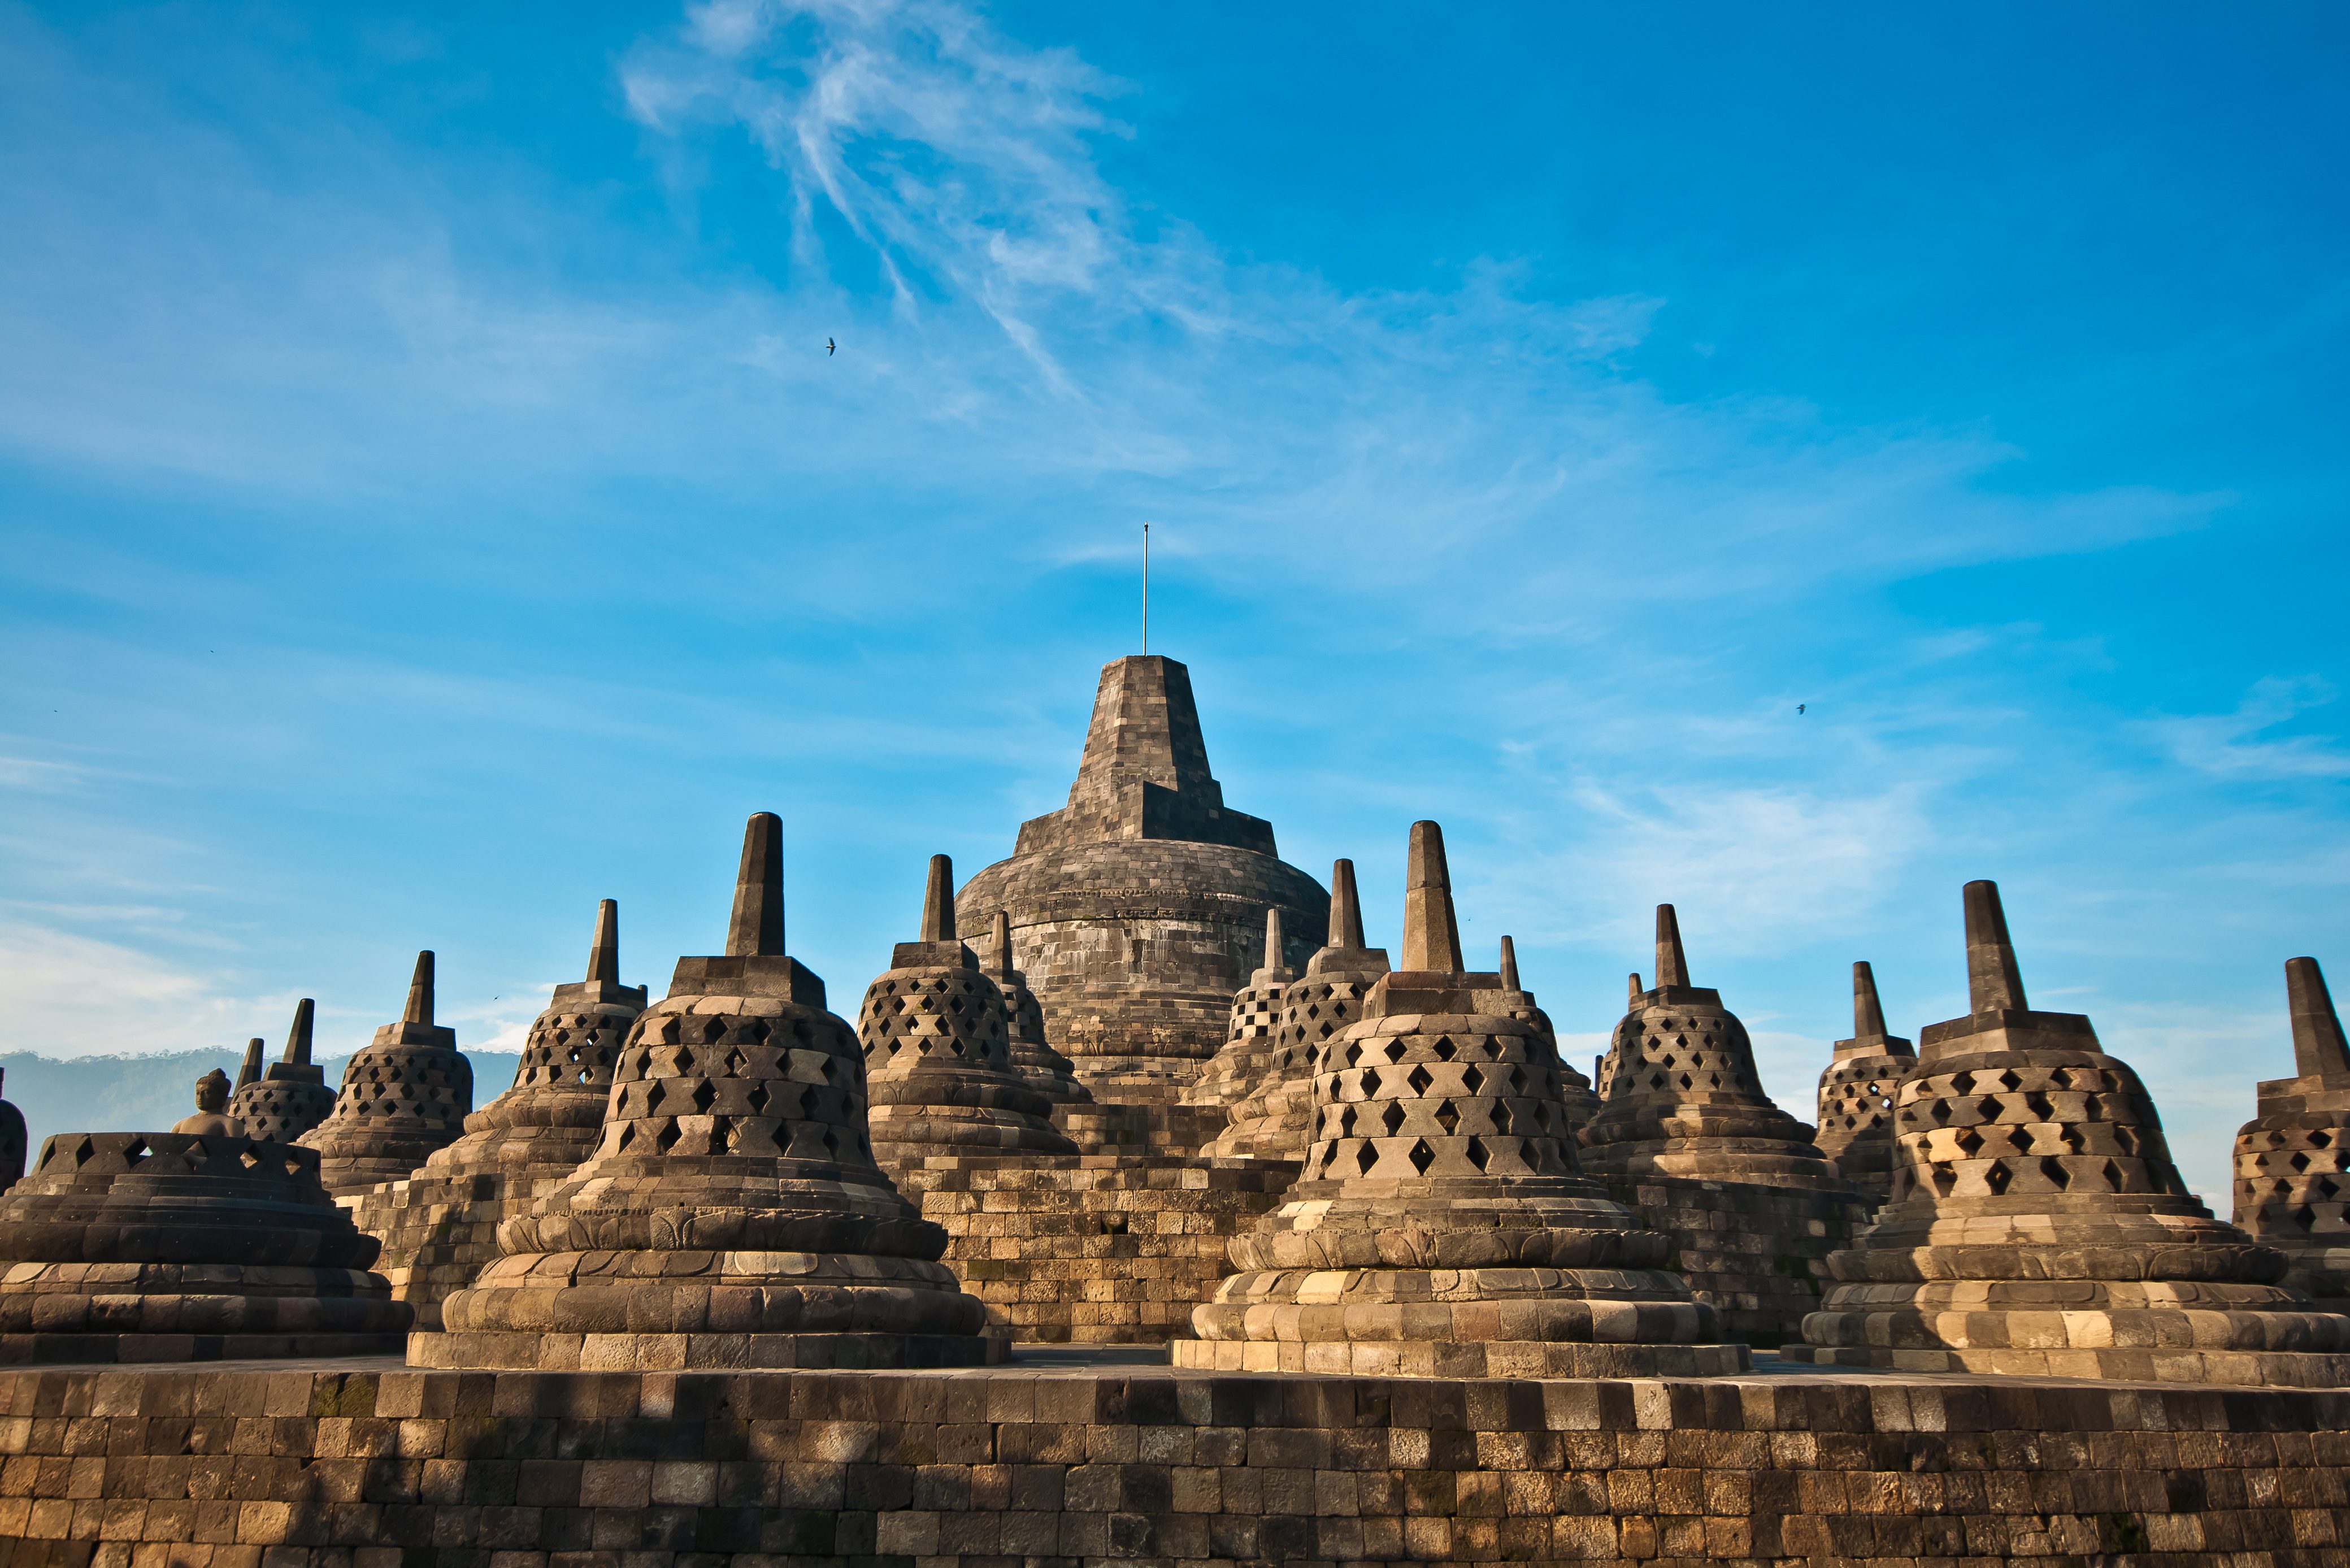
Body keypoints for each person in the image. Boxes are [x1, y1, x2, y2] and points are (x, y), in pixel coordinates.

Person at [171, 1069, 246, 1137]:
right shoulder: (181, 1125)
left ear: (222, 1096)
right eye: (198, 1093)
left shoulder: (229, 1123)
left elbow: (232, 1149)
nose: (200, 1097)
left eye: (207, 1093)